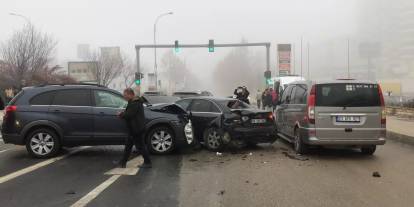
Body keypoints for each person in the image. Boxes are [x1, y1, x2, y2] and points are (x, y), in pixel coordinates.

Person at [118, 88, 152, 169]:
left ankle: (148, 162)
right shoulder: (133, 102)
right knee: (128, 146)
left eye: (125, 95)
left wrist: (121, 114)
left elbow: (129, 114)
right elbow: (130, 112)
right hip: (134, 128)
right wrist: (124, 113)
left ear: (130, 94)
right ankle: (123, 162)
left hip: (137, 129)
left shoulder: (135, 103)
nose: (124, 97)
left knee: (141, 146)